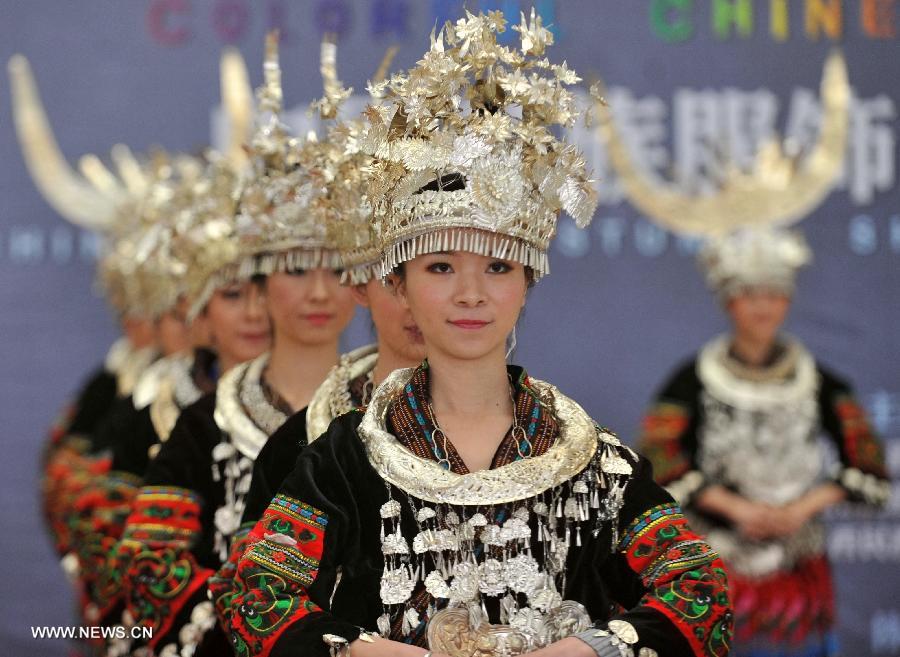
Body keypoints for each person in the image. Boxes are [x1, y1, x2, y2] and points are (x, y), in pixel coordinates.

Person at [228, 12, 731, 657]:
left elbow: (700, 592)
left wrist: (588, 650)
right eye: (441, 267)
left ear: (528, 282)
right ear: (399, 285)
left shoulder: (591, 463)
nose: (471, 294)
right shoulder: (344, 461)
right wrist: (365, 651)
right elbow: (253, 597)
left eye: (498, 267)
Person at [110, 34, 358, 657]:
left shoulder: (387, 415)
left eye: (337, 269)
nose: (319, 294)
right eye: (296, 270)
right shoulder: (208, 424)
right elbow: (149, 567)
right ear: (259, 285)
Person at [638, 227, 890, 657]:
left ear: (788, 302)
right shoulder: (692, 381)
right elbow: (656, 462)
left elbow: (869, 467)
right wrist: (736, 508)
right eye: (750, 295)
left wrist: (800, 510)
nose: (763, 306)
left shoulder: (822, 383)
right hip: (716, 564)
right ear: (729, 302)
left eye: (773, 295)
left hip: (798, 571)